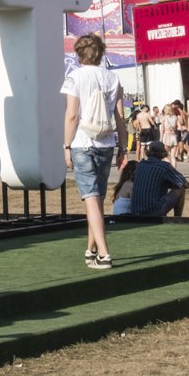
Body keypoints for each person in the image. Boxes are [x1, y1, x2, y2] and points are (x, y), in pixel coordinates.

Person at [62, 33, 127, 270]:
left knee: (90, 197)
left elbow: (71, 115)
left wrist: (66, 145)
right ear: (100, 53)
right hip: (106, 142)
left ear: (79, 54)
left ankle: (105, 254)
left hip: (82, 141)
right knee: (96, 197)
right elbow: (120, 117)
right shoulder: (113, 78)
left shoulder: (74, 77)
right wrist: (123, 146)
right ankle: (91, 250)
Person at [131, 140, 189, 217]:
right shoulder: (164, 167)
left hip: (135, 211)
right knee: (180, 189)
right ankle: (177, 219)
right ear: (162, 152)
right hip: (153, 211)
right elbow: (184, 184)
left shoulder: (139, 166)